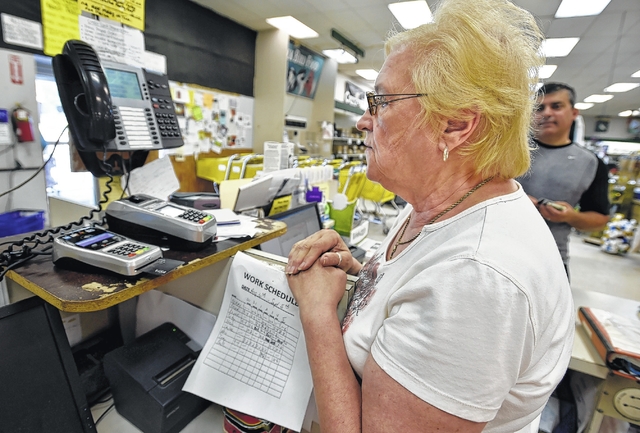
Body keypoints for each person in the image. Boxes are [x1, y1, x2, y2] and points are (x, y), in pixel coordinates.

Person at [284, 0, 575, 432]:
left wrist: (318, 314)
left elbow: (450, 294)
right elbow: (422, 291)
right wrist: (362, 277)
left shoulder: (476, 277)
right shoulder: (440, 205)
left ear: (456, 125)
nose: (363, 121)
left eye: (380, 101)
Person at [517, 82, 610, 275]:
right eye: (539, 108)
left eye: (556, 106)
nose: (547, 113)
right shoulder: (510, 152)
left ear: (574, 113)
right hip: (499, 252)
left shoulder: (591, 163)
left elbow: (600, 220)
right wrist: (514, 199)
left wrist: (571, 216)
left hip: (552, 261)